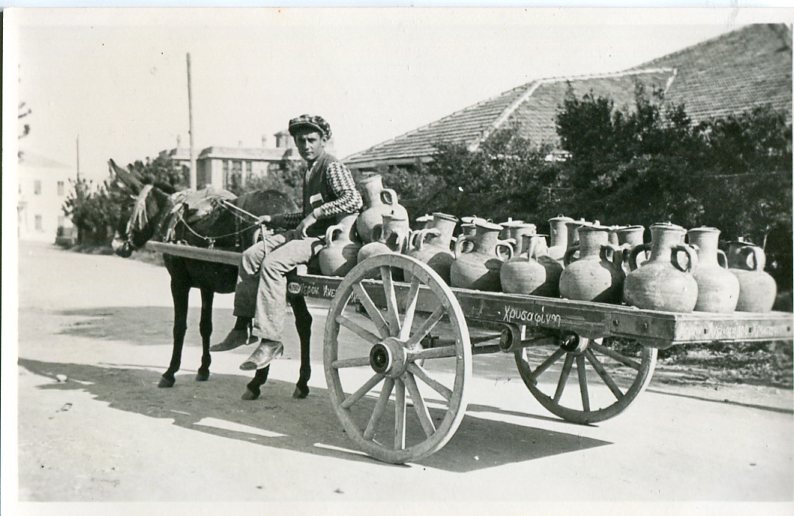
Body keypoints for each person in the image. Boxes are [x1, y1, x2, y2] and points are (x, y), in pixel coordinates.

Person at [210, 114, 363, 370]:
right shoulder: (310, 170)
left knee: (273, 264)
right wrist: (276, 218)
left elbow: (354, 200)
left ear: (324, 140)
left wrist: (317, 214)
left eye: (311, 140)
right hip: (305, 232)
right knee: (249, 256)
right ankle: (242, 327)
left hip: (324, 240)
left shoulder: (331, 166)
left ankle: (270, 341)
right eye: (300, 140)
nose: (305, 146)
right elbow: (303, 216)